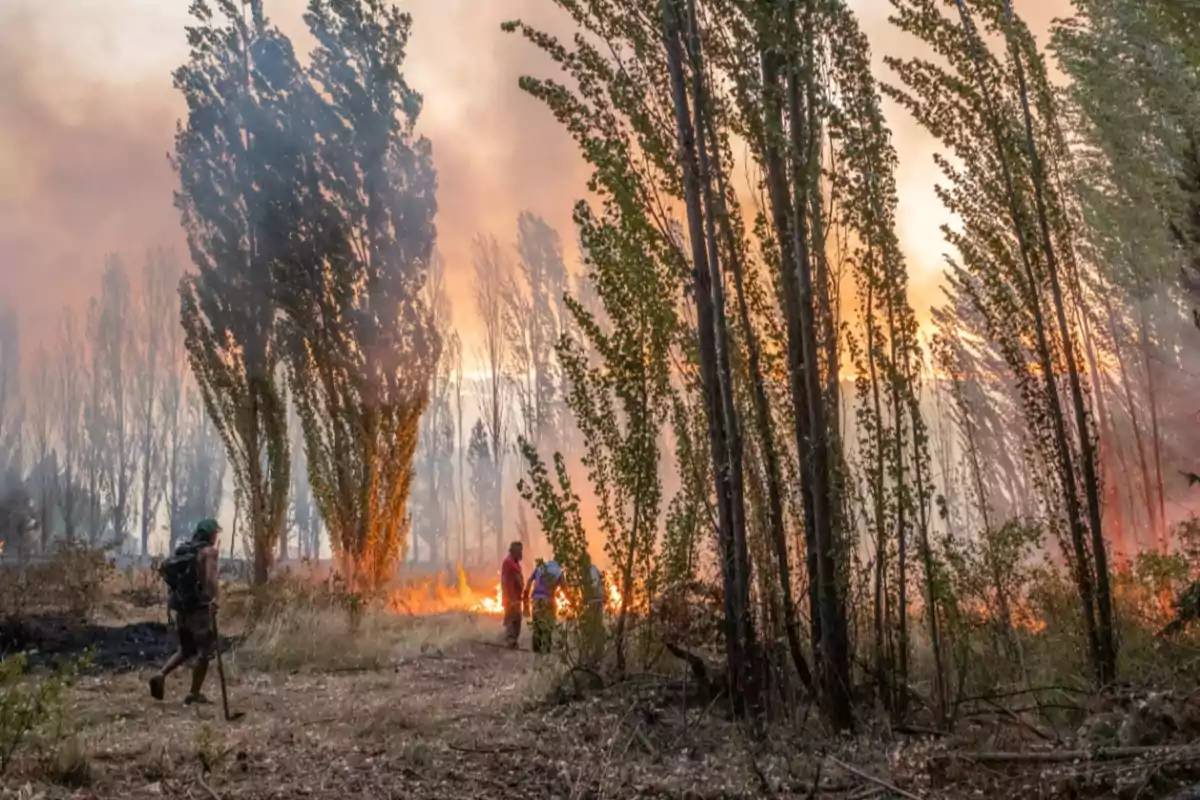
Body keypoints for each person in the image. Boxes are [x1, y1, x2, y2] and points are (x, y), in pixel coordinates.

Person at [150, 518, 221, 704]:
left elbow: (164, 569)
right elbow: (210, 579)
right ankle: (194, 694)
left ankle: (161, 674)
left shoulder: (184, 550)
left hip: (182, 607)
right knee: (205, 652)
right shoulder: (208, 552)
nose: (216, 536)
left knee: (186, 648)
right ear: (210, 534)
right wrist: (212, 599)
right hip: (199, 609)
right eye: (215, 532)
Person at [525, 559, 562, 655]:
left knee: (537, 626)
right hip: (548, 601)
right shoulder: (558, 571)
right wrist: (574, 603)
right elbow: (565, 587)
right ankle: (546, 651)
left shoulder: (540, 567)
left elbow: (529, 581)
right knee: (548, 627)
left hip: (536, 600)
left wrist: (526, 598)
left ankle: (536, 651)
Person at [501, 541, 524, 648]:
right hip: (510, 597)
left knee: (517, 620)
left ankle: (513, 641)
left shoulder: (515, 563)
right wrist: (506, 597)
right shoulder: (508, 562)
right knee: (511, 619)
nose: (521, 553)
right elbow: (505, 580)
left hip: (516, 598)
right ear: (513, 551)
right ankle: (509, 642)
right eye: (519, 551)